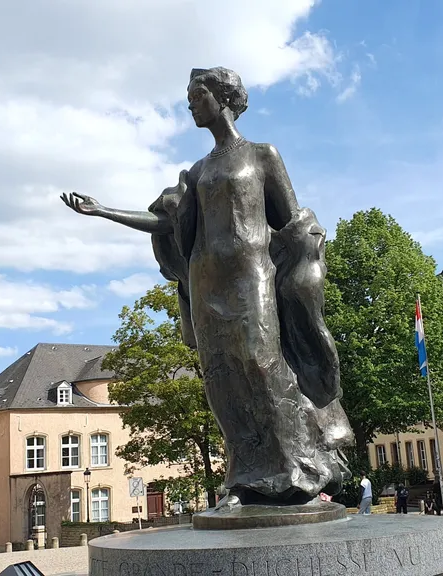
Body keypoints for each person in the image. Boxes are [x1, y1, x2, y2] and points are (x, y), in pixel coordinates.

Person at [61, 67, 355, 508]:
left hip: (252, 276)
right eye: (189, 96)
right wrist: (104, 211)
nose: (190, 104)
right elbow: (167, 222)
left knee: (261, 364)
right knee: (222, 377)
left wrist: (304, 273)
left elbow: (292, 222)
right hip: (206, 282)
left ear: (224, 98)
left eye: (197, 95)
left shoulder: (261, 155)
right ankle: (245, 479)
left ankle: (299, 469)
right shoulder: (197, 172)